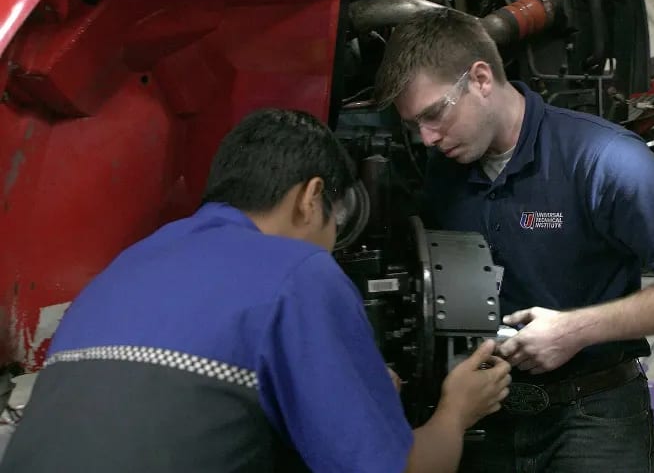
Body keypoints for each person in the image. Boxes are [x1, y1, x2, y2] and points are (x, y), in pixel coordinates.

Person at [0, 109, 512, 473]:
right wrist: (457, 411)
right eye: (335, 226)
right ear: (311, 199)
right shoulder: (300, 271)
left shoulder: (126, 266)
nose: (329, 246)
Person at [373, 9, 654, 472]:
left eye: (433, 114)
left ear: (482, 79)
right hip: (486, 416)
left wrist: (574, 330)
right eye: (414, 125)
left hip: (594, 418)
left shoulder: (604, 159)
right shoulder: (444, 173)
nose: (426, 138)